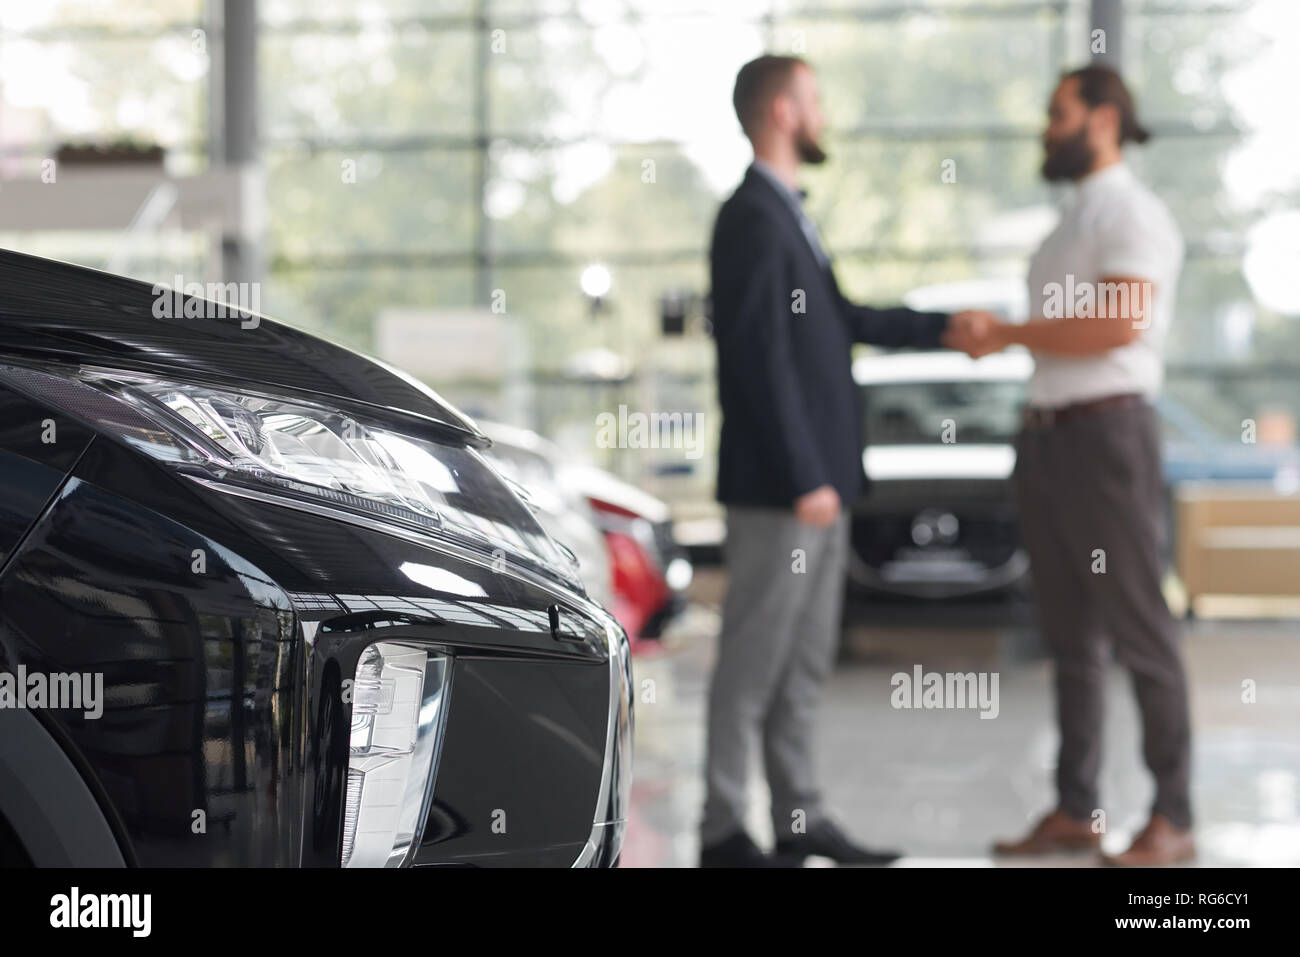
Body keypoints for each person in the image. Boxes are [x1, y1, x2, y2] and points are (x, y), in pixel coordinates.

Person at [702, 53, 992, 867]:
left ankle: (799, 818)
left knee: (801, 665)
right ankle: (723, 827)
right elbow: (757, 361)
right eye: (814, 101)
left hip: (822, 485)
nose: (823, 115)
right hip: (787, 492)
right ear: (783, 112)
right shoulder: (750, 217)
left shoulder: (790, 213)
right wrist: (805, 477)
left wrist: (941, 328)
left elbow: (841, 320)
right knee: (752, 663)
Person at [966, 66, 1194, 867]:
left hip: (1107, 440)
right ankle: (1076, 805)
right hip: (1052, 440)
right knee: (1070, 636)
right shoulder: (1073, 221)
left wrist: (1007, 334)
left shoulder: (1132, 212)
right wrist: (1010, 338)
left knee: (1140, 630)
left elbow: (1117, 323)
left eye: (1056, 112)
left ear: (1101, 119)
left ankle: (1173, 815)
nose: (1044, 126)